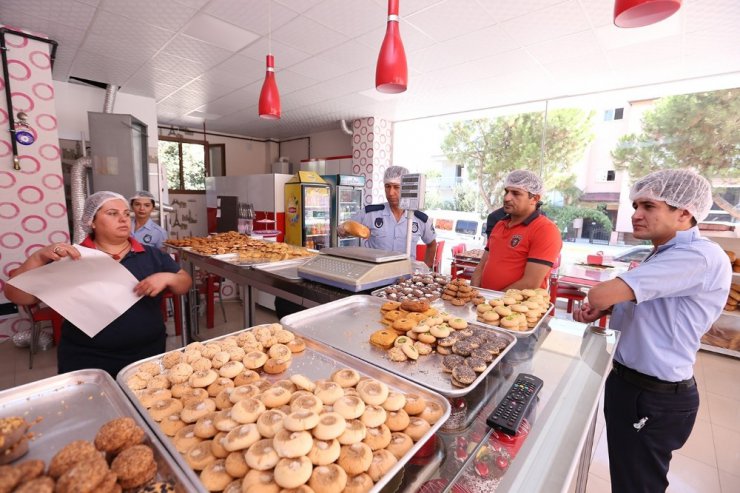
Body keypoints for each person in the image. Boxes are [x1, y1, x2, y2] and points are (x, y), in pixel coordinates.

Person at [573, 169, 731, 492]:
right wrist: (609, 308)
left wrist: (602, 300)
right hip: (633, 386)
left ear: (684, 211)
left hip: (654, 396)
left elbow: (599, 292)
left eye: (648, 206)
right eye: (635, 206)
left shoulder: (696, 256)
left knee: (638, 485)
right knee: (629, 479)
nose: (636, 215)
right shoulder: (664, 253)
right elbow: (652, 309)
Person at [4, 191, 192, 377]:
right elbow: (19, 296)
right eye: (112, 213)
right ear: (91, 221)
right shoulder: (73, 258)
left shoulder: (151, 255)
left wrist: (169, 278)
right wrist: (38, 257)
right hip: (88, 358)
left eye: (126, 214)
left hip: (147, 354)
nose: (123, 219)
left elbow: (184, 282)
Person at [471, 170, 561, 291]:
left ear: (534, 199)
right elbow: (481, 266)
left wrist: (493, 303)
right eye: (506, 192)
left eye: (516, 193)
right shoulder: (500, 225)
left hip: (518, 308)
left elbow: (530, 283)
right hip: (486, 304)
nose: (507, 198)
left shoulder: (545, 230)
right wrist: (474, 294)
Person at [338, 166, 437, 268]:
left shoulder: (419, 219)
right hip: (373, 275)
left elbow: (432, 244)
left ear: (405, 188)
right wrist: (343, 230)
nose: (390, 193)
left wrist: (426, 270)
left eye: (396, 187)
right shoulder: (370, 213)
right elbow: (344, 229)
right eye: (387, 186)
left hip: (405, 277)